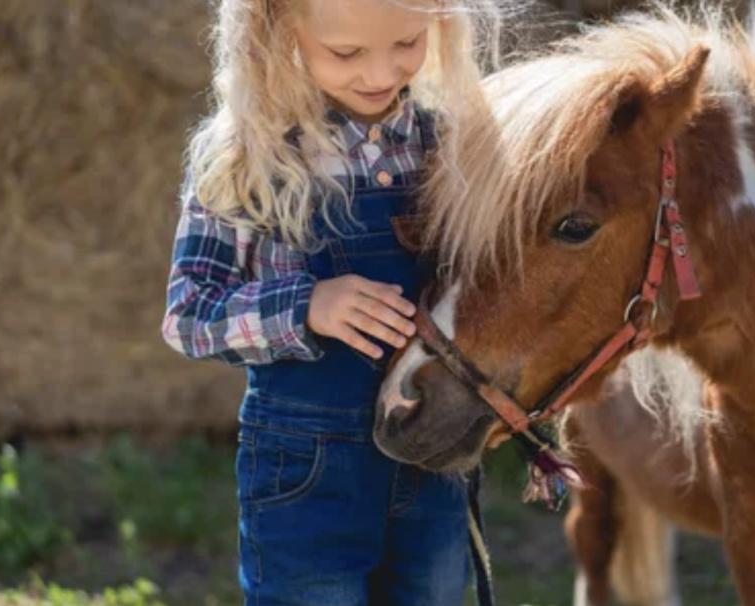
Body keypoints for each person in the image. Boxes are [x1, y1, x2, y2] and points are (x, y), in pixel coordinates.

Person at [160, 0, 501, 603]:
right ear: (278, 30)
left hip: (431, 458)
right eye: (346, 53)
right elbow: (189, 314)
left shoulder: (447, 145)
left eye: (407, 43)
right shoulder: (249, 154)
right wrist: (305, 306)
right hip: (306, 476)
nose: (380, 74)